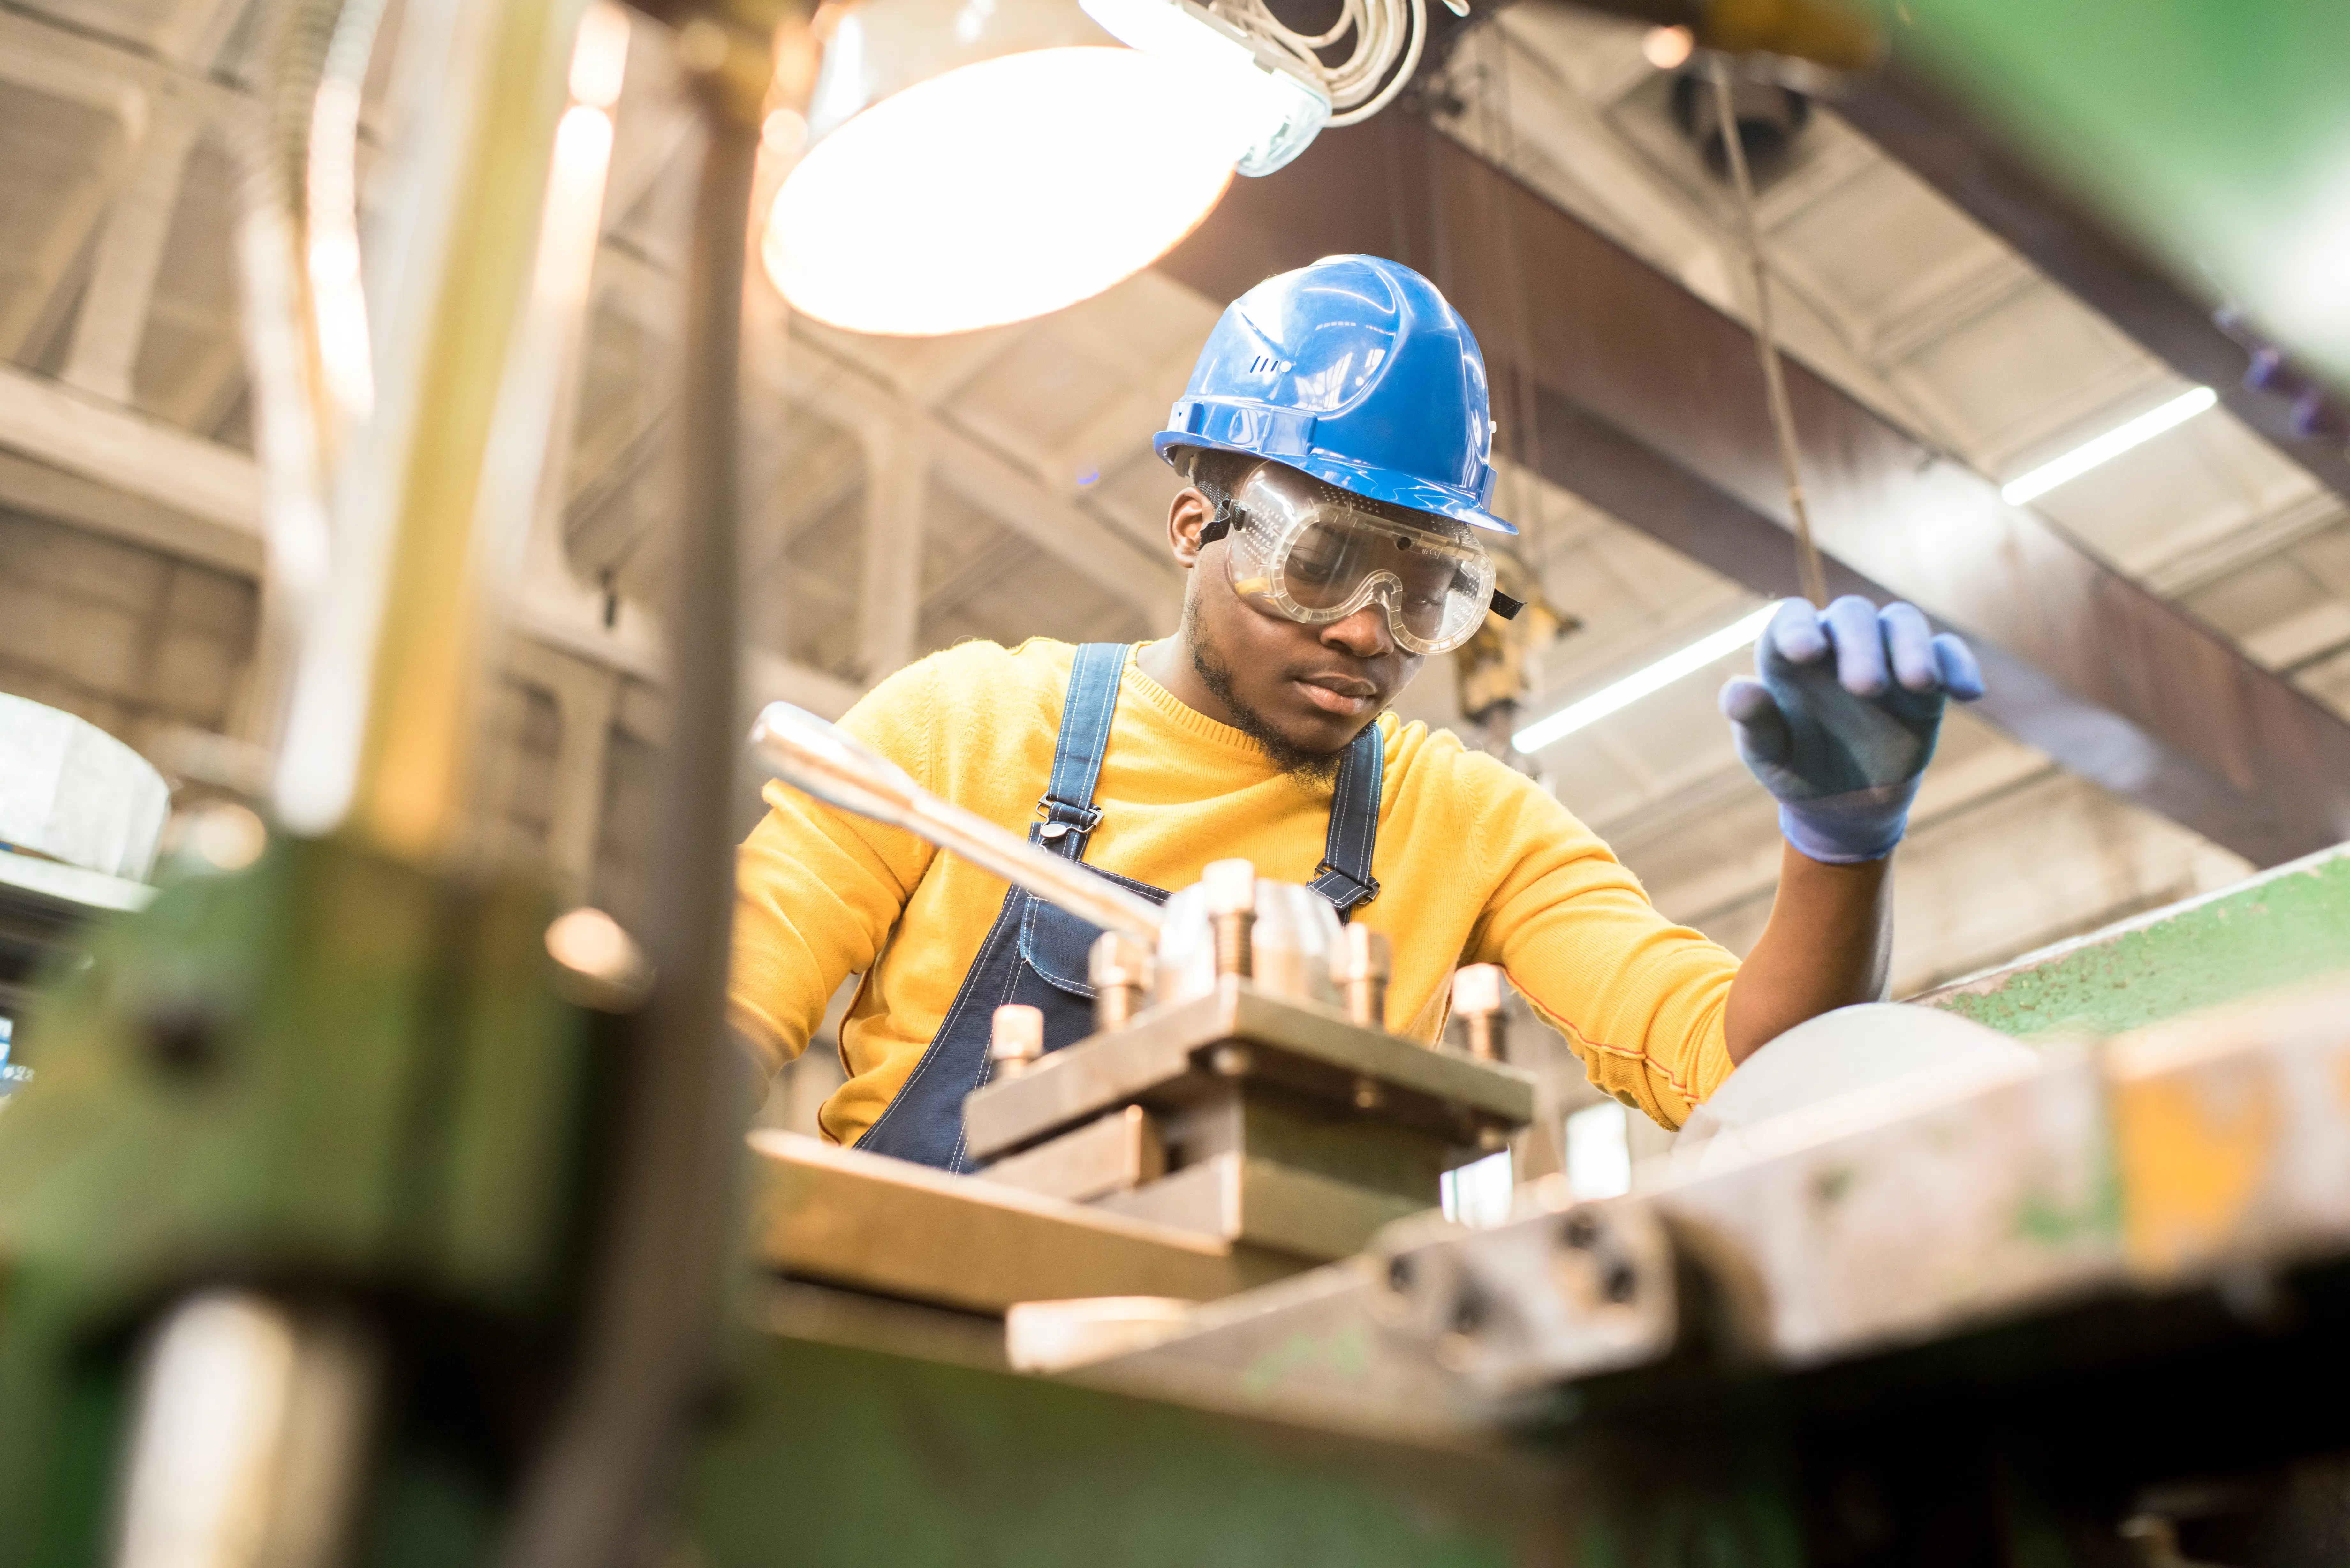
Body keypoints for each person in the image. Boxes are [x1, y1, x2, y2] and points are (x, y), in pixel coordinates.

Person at [729, 255, 1983, 1170]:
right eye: (1320, 560)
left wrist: (1837, 853)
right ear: (1192, 525)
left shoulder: (1466, 821)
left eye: (1428, 589)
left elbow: (1739, 1066)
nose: (1368, 632)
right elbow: (719, 1023)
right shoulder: (954, 731)